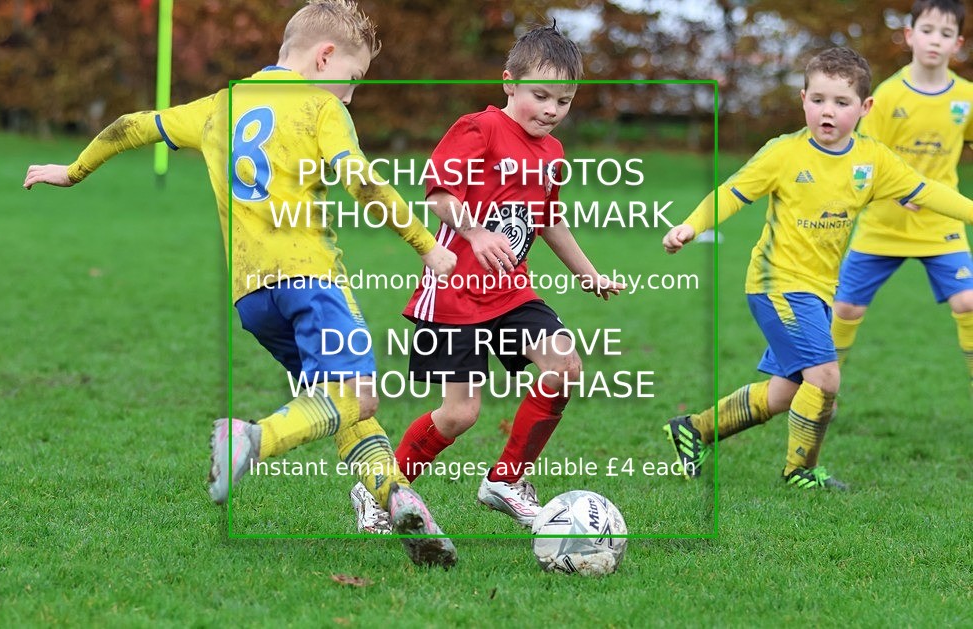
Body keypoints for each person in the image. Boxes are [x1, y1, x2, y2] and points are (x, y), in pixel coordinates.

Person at [22, 0, 459, 568]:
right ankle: (252, 439)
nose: (350, 95)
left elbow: (130, 126)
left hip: (253, 298)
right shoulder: (318, 108)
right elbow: (363, 181)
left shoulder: (219, 105)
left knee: (338, 404)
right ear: (324, 57)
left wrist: (73, 170)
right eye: (351, 80)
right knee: (357, 395)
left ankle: (401, 503)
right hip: (311, 280)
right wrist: (429, 248)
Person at [349, 23, 624, 533]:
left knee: (563, 367)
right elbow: (437, 195)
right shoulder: (480, 129)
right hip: (454, 293)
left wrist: (589, 275)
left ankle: (506, 479)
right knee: (459, 415)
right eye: (540, 95)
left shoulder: (553, 154)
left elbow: (548, 222)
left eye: (563, 101)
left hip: (512, 292)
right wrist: (474, 233)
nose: (550, 110)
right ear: (509, 83)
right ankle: (377, 490)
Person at [661, 47, 973, 490]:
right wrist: (690, 227)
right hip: (776, 284)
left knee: (786, 392)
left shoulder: (873, 161)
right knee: (825, 376)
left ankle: (694, 429)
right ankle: (799, 471)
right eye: (819, 100)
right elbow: (731, 193)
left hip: (818, 291)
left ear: (865, 108)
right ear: (803, 98)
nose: (828, 111)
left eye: (841, 103)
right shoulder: (782, 154)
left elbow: (929, 191)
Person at [833, 0, 973, 393]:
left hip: (940, 223)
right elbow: (864, 159)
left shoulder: (966, 97)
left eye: (946, 34)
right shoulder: (888, 95)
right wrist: (895, 194)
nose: (935, 40)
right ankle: (824, 390)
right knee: (846, 308)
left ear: (957, 43)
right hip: (883, 224)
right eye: (927, 30)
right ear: (910, 36)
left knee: (968, 302)